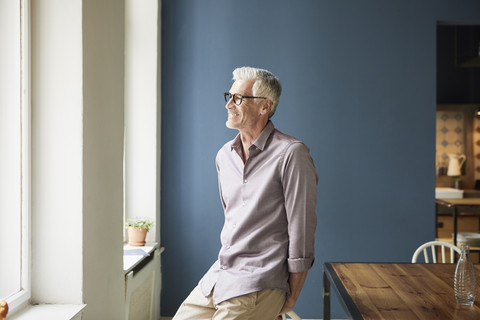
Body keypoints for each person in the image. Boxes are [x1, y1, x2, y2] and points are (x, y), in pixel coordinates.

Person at [173, 66, 318, 320]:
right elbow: (233, 220)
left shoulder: (292, 154)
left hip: (259, 282)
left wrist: (292, 293)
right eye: (228, 96)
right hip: (219, 276)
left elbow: (302, 232)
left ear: (264, 106)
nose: (229, 104)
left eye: (238, 98)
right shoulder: (223, 156)